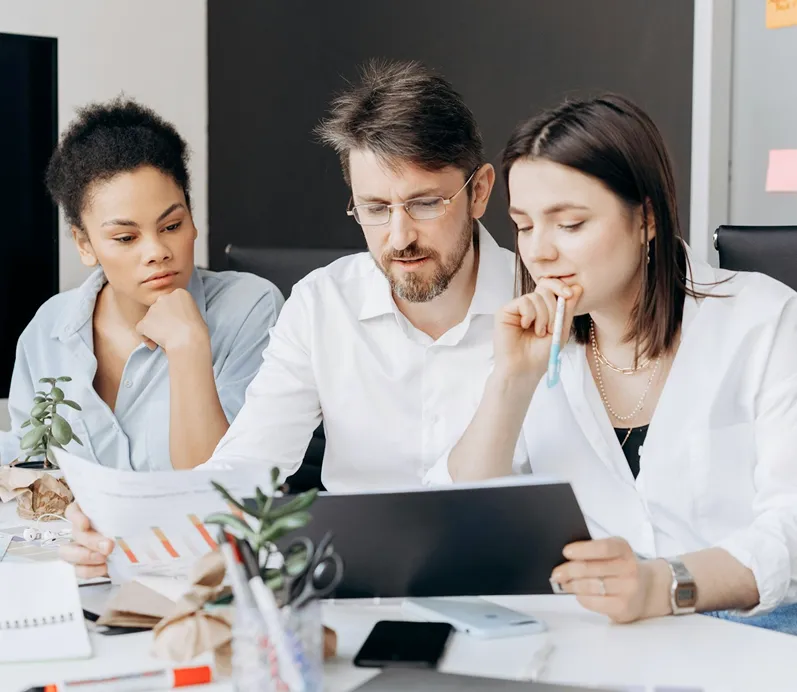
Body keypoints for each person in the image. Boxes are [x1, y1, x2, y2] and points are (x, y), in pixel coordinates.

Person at [63, 60, 516, 578]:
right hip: (355, 589)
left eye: (425, 204)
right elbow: (245, 469)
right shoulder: (322, 303)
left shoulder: (551, 305)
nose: (398, 237)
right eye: (374, 208)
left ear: (479, 192)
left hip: (517, 591)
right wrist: (126, 529)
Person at [434, 94, 797, 632]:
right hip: (598, 635)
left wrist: (664, 583)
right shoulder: (531, 343)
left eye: (570, 224)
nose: (539, 252)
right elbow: (461, 524)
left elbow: (789, 533)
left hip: (755, 631)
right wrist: (510, 383)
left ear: (646, 218)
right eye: (525, 226)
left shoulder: (766, 321)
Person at [0, 98, 283, 473]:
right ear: (85, 244)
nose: (157, 252)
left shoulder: (250, 308)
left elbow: (217, 493)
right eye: (125, 238)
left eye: (171, 227)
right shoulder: (48, 330)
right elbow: (32, 468)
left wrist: (188, 347)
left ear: (192, 221)